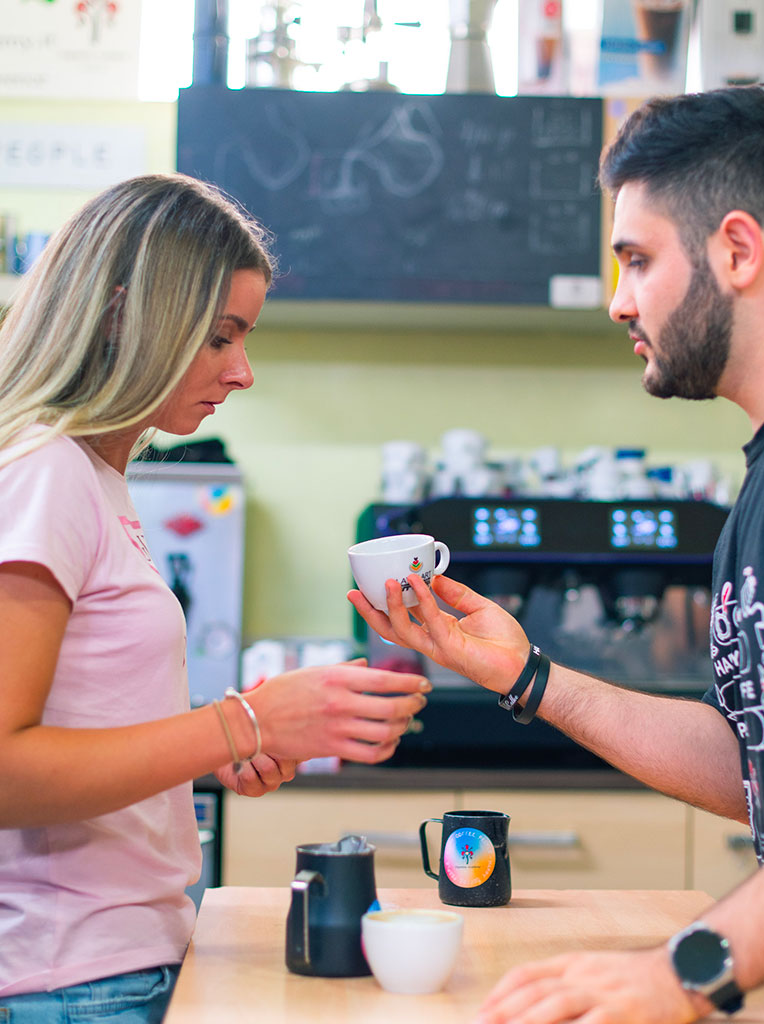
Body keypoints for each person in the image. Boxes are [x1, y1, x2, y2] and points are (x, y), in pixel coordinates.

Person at [349, 83, 764, 1023]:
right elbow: (760, 760)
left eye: (636, 260)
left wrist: (681, 970)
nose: (616, 303)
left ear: (736, 249)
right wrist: (528, 675)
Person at [0, 172, 430, 1023]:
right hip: (69, 980)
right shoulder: (45, 475)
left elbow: (84, 722)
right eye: (220, 338)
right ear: (125, 315)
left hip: (110, 964)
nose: (242, 372)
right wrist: (246, 723)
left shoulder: (92, 477)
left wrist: (211, 746)